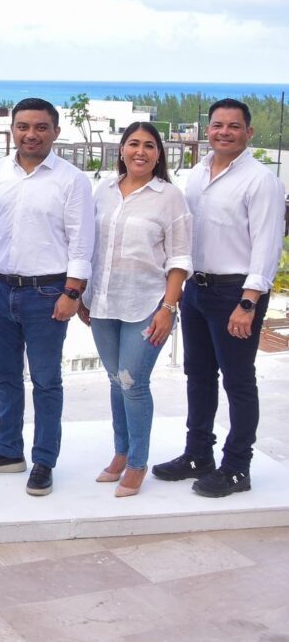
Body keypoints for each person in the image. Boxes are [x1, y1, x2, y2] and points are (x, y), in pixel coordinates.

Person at [151, 98, 285, 497]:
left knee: (238, 381)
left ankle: (238, 468)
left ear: (249, 132)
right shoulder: (196, 173)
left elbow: (267, 245)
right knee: (198, 376)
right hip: (196, 289)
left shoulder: (261, 180)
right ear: (207, 129)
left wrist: (248, 302)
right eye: (217, 125)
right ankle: (198, 455)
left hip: (235, 293)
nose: (224, 132)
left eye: (234, 126)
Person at [0, 97, 95, 496]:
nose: (31, 134)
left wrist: (72, 293)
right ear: (13, 130)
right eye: (23, 126)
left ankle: (43, 461)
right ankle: (8, 451)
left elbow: (82, 243)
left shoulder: (72, 180)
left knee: (46, 381)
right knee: (4, 377)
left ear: (55, 132)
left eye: (40, 127)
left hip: (47, 293)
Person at [78, 122, 192, 498]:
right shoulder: (104, 191)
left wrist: (168, 307)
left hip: (147, 304)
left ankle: (138, 463)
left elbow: (179, 258)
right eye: (133, 144)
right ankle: (121, 452)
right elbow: (89, 246)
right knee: (115, 380)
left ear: (158, 154)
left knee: (132, 382)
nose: (140, 151)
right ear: (122, 150)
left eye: (148, 145)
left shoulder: (170, 197)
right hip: (104, 302)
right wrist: (84, 295)